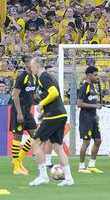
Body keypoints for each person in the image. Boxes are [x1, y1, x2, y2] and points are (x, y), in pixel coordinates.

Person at [26, 57, 74, 188]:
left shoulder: (44, 77)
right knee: (58, 147)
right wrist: (44, 110)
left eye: (32, 66)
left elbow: (53, 93)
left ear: (37, 66)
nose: (31, 69)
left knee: (34, 142)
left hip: (54, 115)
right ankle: (69, 178)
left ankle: (43, 176)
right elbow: (54, 96)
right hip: (60, 114)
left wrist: (41, 104)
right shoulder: (48, 78)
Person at [10, 56, 40, 175]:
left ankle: (18, 159)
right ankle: (16, 167)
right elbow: (15, 95)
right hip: (19, 111)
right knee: (17, 138)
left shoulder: (33, 77)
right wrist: (19, 113)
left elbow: (29, 94)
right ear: (26, 63)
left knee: (36, 135)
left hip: (27, 112)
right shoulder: (22, 77)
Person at [75, 65, 104, 174]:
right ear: (89, 75)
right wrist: (95, 106)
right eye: (95, 75)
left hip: (93, 117)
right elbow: (79, 103)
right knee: (86, 142)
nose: (97, 77)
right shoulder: (84, 86)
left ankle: (91, 165)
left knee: (98, 140)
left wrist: (95, 110)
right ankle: (81, 166)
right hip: (85, 118)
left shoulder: (93, 87)